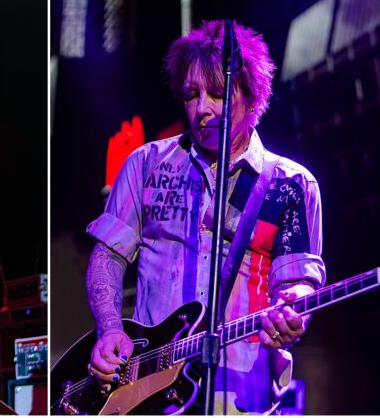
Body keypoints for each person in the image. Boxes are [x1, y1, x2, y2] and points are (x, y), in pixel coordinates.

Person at [85, 20, 325, 414]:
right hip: (148, 389)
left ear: (253, 96)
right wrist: (110, 328)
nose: (202, 109)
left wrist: (294, 309)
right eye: (191, 95)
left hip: (241, 393)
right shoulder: (146, 165)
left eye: (217, 93)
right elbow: (107, 257)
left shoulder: (291, 185)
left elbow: (296, 284)